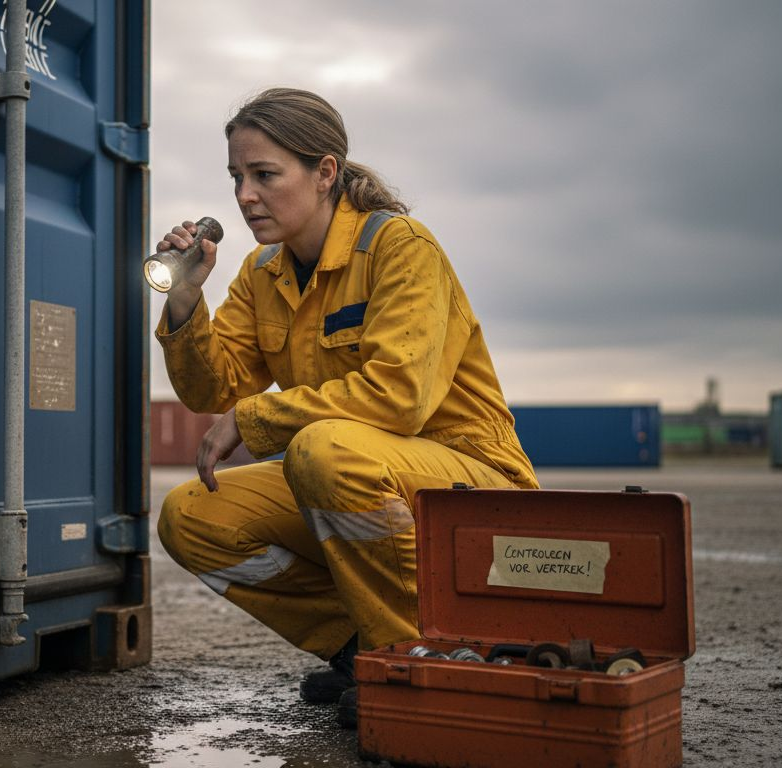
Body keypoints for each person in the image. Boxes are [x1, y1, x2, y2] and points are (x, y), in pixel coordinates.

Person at [153, 87, 538, 727]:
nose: (245, 195)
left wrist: (255, 420)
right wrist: (187, 298)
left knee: (323, 449)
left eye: (265, 175)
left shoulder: (400, 248)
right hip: (355, 471)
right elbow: (210, 391)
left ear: (325, 172)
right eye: (237, 177)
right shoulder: (262, 272)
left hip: (470, 478)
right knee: (192, 515)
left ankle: (422, 659)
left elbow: (399, 397)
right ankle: (366, 651)